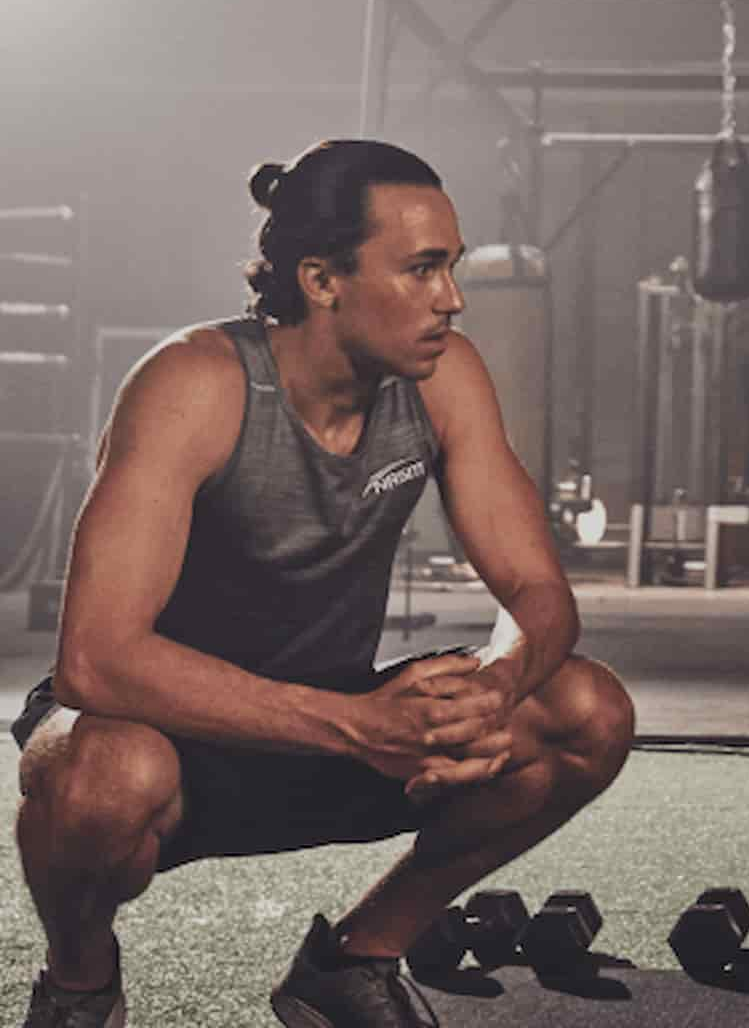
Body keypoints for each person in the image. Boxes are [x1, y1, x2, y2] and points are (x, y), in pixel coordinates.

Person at [10, 140, 635, 1028]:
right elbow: (96, 662)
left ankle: (352, 961)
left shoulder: (445, 378)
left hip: (336, 727)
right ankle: (79, 983)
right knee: (100, 776)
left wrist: (494, 691)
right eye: (421, 270)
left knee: (585, 711)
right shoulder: (193, 385)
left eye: (450, 268)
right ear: (321, 278)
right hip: (168, 740)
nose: (451, 299)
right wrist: (357, 727)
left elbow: (539, 597)